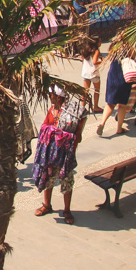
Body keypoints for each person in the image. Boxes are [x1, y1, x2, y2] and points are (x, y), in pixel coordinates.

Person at [32, 86, 87, 224]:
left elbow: (78, 137)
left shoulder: (71, 113)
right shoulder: (52, 111)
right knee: (48, 178)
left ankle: (67, 210)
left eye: (51, 94)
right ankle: (47, 205)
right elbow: (44, 127)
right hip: (51, 153)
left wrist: (63, 135)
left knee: (67, 182)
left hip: (66, 155)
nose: (49, 97)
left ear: (58, 97)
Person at [97, 47, 136, 137]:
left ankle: (102, 123)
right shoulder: (129, 49)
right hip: (124, 78)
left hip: (112, 76)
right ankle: (119, 129)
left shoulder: (113, 48)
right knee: (122, 105)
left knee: (110, 104)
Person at [80, 36, 102, 111]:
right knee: (96, 90)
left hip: (86, 73)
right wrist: (103, 61)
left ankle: (82, 108)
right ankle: (95, 107)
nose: (100, 43)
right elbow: (95, 62)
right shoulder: (96, 51)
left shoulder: (85, 49)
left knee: (85, 91)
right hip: (94, 73)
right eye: (99, 41)